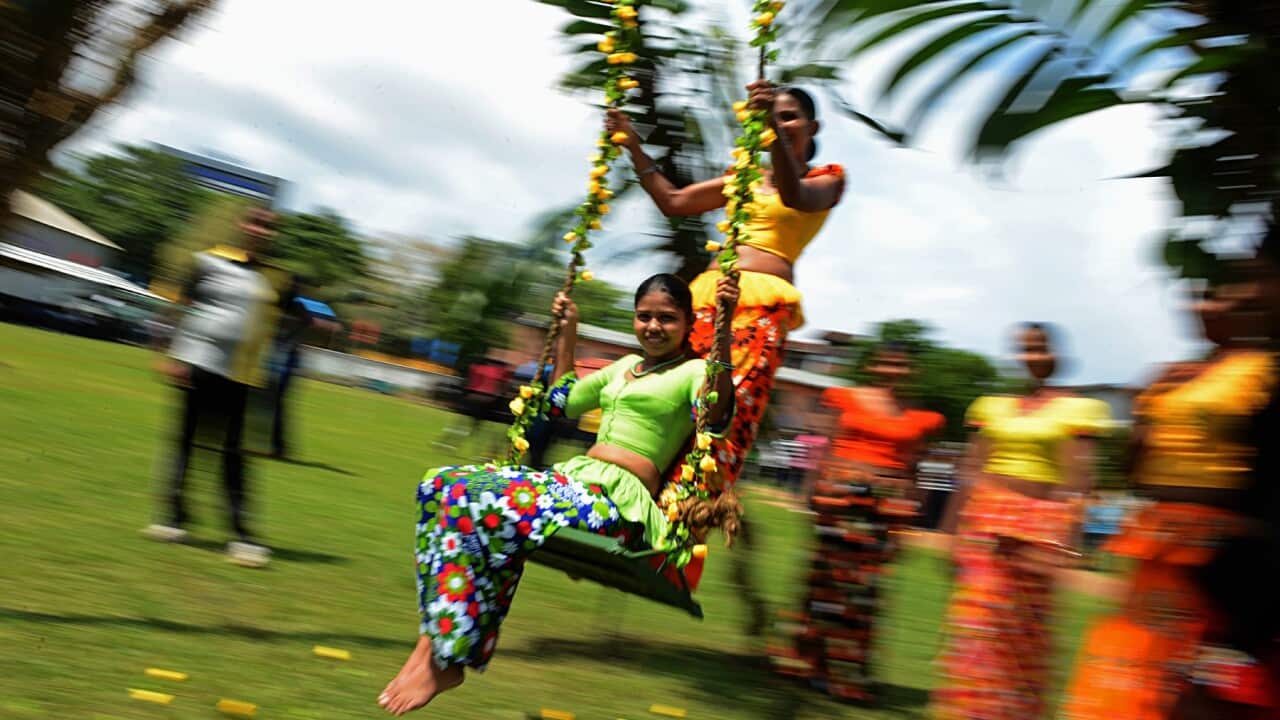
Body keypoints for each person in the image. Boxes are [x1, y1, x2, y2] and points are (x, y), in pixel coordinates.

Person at [377, 273, 741, 715]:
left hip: (617, 501)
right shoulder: (621, 367)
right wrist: (569, 331)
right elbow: (561, 401)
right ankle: (438, 648)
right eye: (644, 316)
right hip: (573, 480)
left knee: (484, 508)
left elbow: (716, 413)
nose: (653, 326)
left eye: (666, 318)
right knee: (439, 485)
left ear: (687, 322)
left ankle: (441, 653)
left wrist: (724, 329)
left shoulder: (694, 371)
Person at [1060, 257, 1279, 720]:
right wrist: (1143, 419)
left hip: (1221, 552)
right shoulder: (1173, 374)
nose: (1203, 305)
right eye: (1195, 294)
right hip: (1158, 540)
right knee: (1129, 669)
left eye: (1218, 292)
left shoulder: (1265, 370)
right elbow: (1136, 472)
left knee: (1194, 679)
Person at [606, 80, 845, 490]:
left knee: (724, 409)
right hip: (707, 298)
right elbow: (675, 202)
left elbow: (794, 196)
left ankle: (685, 509)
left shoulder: (829, 179)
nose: (781, 124)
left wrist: (768, 126)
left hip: (761, 309)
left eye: (790, 117)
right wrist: (632, 146)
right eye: (775, 116)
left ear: (814, 128)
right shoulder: (746, 175)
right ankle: (630, 493)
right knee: (672, 398)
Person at [930, 323, 1112, 720]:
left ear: (1057, 354)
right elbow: (972, 467)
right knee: (976, 624)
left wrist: (1065, 543)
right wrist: (948, 531)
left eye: (1040, 348)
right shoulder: (991, 406)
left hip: (1039, 525)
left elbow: (1079, 479)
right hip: (984, 520)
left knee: (1023, 633)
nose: (1032, 357)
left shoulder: (1080, 409)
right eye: (1024, 350)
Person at [770, 343, 943, 701]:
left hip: (883, 510)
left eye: (901, 364)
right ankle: (804, 663)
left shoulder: (919, 417)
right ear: (874, 366)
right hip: (839, 498)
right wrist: (810, 496)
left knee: (863, 593)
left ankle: (845, 676)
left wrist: (909, 521)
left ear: (910, 371)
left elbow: (916, 469)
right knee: (822, 583)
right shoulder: (845, 398)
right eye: (887, 362)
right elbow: (828, 447)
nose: (893, 370)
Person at [143, 207, 286, 568]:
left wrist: (275, 352)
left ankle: (241, 535)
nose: (261, 231)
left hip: (241, 376)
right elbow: (181, 307)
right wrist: (172, 353)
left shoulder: (280, 278)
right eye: (255, 223)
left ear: (274, 234)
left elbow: (298, 320)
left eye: (268, 227)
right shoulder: (208, 262)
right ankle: (173, 520)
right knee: (184, 445)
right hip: (196, 364)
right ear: (242, 226)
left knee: (233, 456)